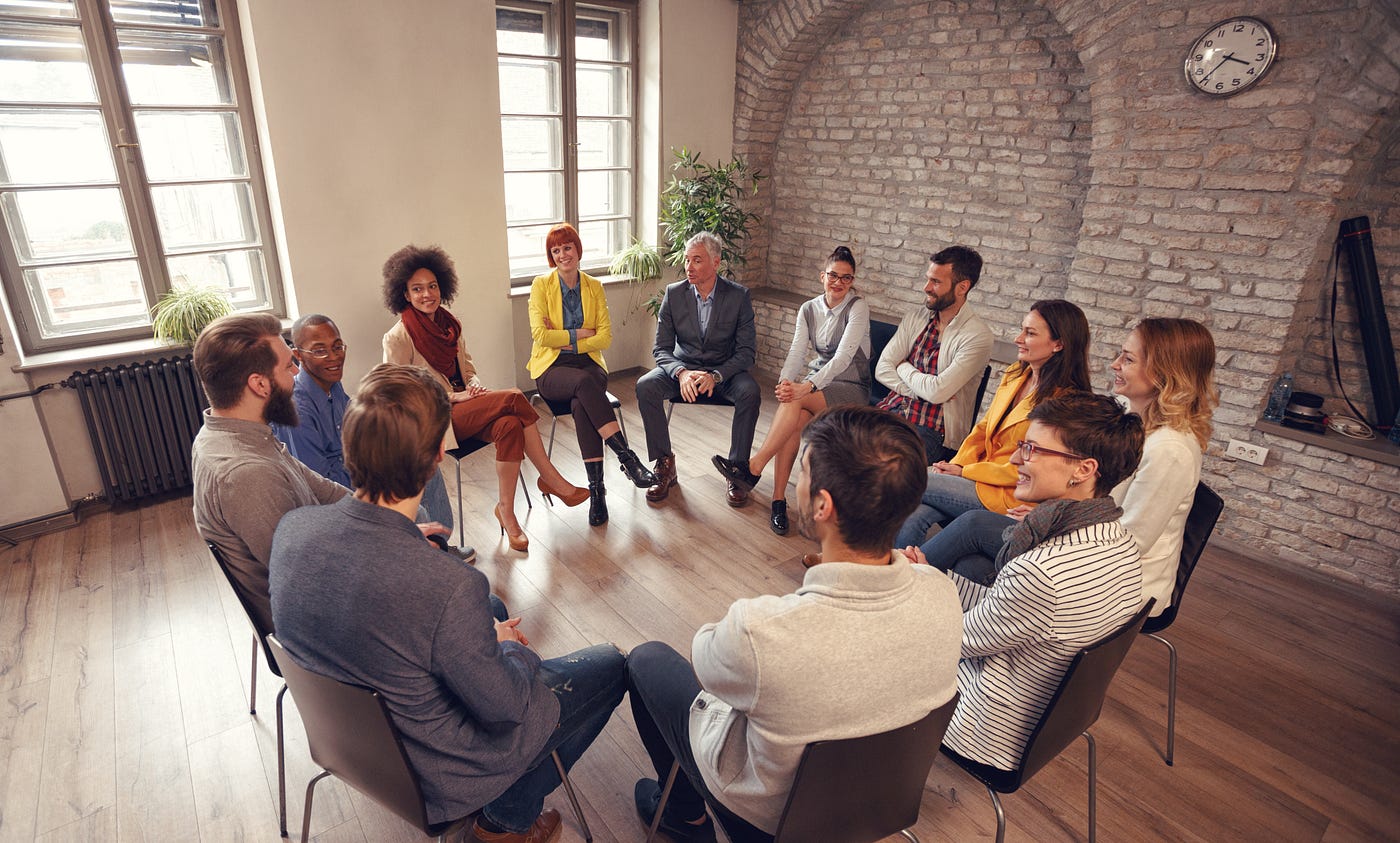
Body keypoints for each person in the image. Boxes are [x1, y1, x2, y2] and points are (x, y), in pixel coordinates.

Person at [269, 364, 626, 843]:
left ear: (349, 446)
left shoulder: (292, 531)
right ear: (440, 452)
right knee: (611, 664)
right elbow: (506, 707)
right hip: (440, 774)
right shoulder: (449, 585)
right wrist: (509, 648)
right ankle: (505, 822)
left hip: (353, 749)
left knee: (489, 616)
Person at [626, 406, 962, 840]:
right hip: (878, 807)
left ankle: (684, 815)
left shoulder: (760, 631)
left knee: (646, 660)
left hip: (765, 820)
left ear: (823, 505)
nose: (794, 483)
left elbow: (705, 660)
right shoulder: (943, 592)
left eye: (801, 470)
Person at [919, 318, 1217, 601]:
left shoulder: (1171, 450)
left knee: (972, 524)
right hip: (1080, 544)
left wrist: (1050, 523)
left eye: (1127, 359)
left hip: (1115, 579)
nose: (1114, 364)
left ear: (1163, 373)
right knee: (970, 564)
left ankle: (900, 590)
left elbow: (1129, 543)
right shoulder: (1128, 414)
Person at [932, 392, 1144, 774]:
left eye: (1030, 449)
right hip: (1045, 709)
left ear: (1083, 469)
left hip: (988, 728)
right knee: (962, 563)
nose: (1015, 460)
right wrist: (934, 582)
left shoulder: (1040, 572)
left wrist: (908, 597)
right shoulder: (1119, 539)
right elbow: (1021, 612)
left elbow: (950, 645)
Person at [382, 244, 588, 553]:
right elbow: (398, 393)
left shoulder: (450, 325)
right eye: (417, 289)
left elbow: (468, 368)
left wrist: (474, 386)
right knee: (516, 397)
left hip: (465, 407)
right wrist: (457, 395)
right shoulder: (397, 336)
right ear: (405, 295)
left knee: (509, 424)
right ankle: (551, 479)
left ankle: (506, 511)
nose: (427, 294)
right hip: (435, 421)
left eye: (433, 286)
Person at [890, 299, 1092, 551]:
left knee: (908, 477)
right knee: (915, 514)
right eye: (1022, 330)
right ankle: (892, 579)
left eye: (1029, 333)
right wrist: (957, 464)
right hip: (975, 477)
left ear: (1059, 344)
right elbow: (983, 428)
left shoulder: (1068, 403)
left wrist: (966, 472)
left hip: (1008, 491)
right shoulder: (1015, 375)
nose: (1018, 339)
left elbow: (1030, 466)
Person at [711, 245, 871, 536]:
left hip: (851, 388)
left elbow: (843, 358)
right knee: (794, 419)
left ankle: (753, 467)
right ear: (822, 276)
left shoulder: (857, 307)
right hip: (818, 385)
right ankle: (777, 500)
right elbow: (797, 350)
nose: (839, 283)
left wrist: (805, 386)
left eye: (846, 278)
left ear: (852, 281)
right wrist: (786, 382)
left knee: (796, 399)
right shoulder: (808, 309)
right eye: (833, 275)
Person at [273, 313, 466, 554]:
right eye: (320, 351)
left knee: (425, 464)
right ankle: (429, 555)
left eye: (337, 347)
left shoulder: (333, 385)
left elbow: (358, 437)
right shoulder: (297, 409)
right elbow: (318, 484)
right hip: (337, 498)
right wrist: (375, 486)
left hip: (357, 473)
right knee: (417, 511)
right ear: (298, 355)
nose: (334, 357)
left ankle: (440, 550)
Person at [527, 223, 656, 527]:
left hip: (589, 365)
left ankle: (597, 491)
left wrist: (563, 334)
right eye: (555, 250)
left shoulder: (594, 287)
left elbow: (605, 338)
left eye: (567, 247)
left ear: (577, 249)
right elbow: (539, 335)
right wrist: (581, 333)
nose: (562, 254)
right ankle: (627, 458)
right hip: (551, 368)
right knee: (583, 388)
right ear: (551, 256)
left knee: (581, 402)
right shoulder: (541, 285)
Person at [635, 231, 760, 507]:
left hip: (724, 372)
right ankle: (665, 464)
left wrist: (716, 376)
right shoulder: (674, 293)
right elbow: (661, 349)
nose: (689, 267)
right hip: (685, 370)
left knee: (750, 392)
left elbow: (746, 353)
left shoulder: (738, 297)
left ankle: (737, 470)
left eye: (697, 260)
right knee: (646, 385)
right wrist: (681, 373)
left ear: (716, 263)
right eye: (687, 259)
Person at [874, 245, 995, 463]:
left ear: (962, 287)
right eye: (928, 279)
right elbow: (882, 368)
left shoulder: (977, 336)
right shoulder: (916, 317)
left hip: (930, 430)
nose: (926, 287)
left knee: (883, 468)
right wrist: (916, 391)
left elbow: (937, 393)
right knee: (837, 445)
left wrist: (902, 367)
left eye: (936, 282)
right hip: (889, 410)